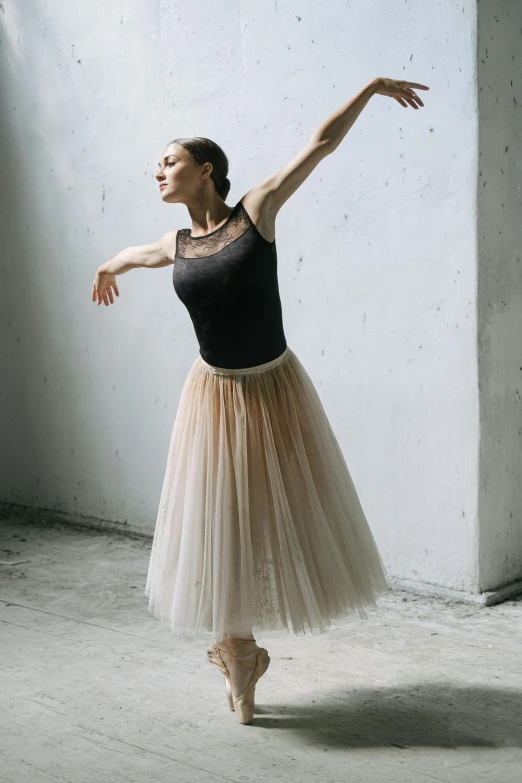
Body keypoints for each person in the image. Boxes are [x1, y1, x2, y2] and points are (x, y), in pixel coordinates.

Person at [92, 76, 429, 725]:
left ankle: (240, 653)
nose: (157, 171)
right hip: (213, 397)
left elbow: (320, 144)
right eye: (157, 164)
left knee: (262, 517)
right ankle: (240, 652)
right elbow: (138, 253)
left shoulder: (257, 211)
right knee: (222, 522)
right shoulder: (177, 242)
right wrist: (110, 265)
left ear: (205, 168)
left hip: (272, 386)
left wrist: (371, 89)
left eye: (170, 161)